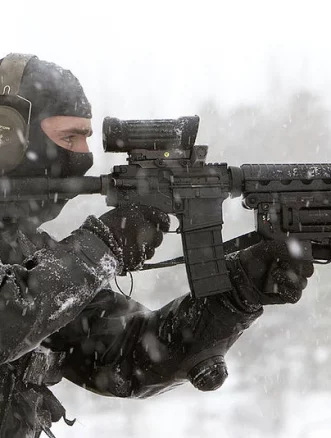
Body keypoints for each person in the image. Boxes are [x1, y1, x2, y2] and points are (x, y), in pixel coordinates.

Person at [0, 53, 314, 438]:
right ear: (8, 137)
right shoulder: (43, 267)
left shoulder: (27, 252)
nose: (81, 157)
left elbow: (128, 358)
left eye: (85, 136)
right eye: (68, 137)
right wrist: (104, 246)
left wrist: (239, 289)